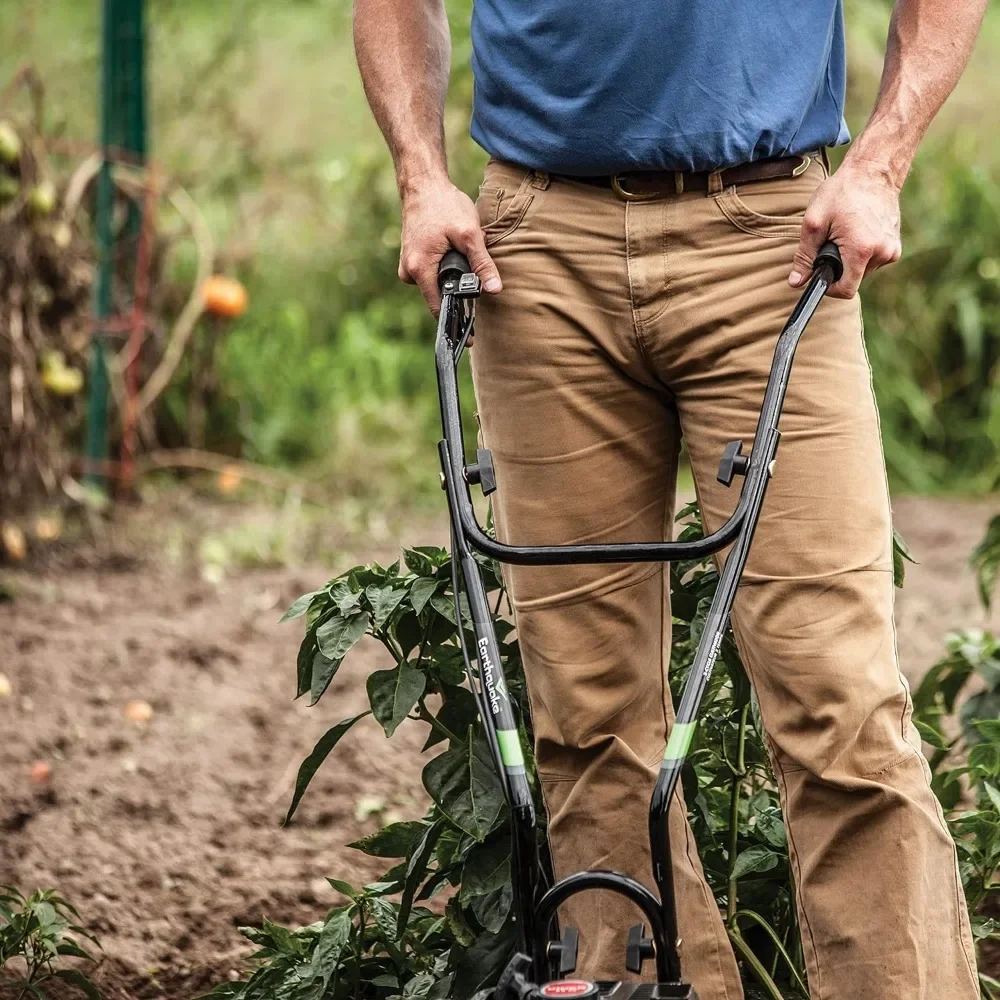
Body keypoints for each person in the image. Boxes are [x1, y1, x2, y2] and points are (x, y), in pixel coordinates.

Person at [354, 1, 986, 996]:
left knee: (839, 700)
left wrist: (879, 163)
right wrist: (420, 175)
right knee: (587, 713)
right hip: (532, 250)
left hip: (770, 240)